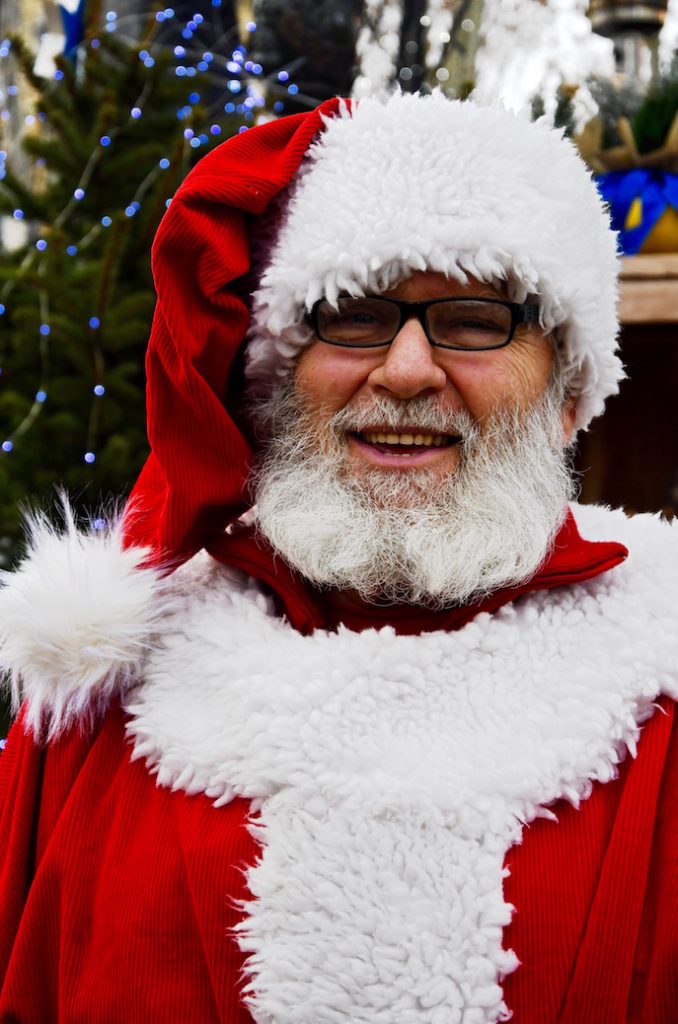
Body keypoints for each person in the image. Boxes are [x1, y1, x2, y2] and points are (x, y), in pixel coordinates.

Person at [0, 92, 675, 1024]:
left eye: (476, 318)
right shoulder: (102, 698)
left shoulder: (662, 689)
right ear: (275, 375)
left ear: (568, 391)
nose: (404, 370)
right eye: (351, 314)